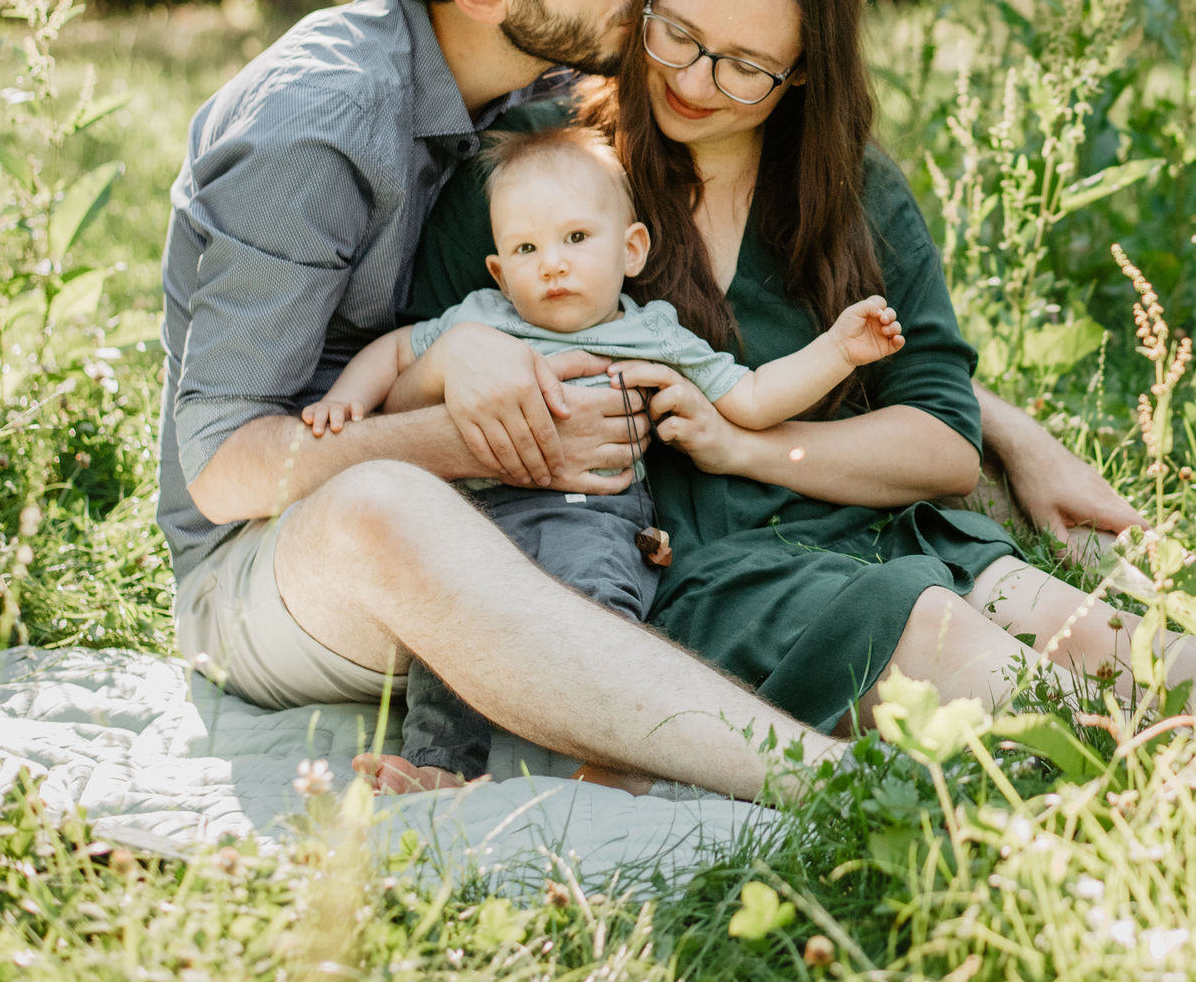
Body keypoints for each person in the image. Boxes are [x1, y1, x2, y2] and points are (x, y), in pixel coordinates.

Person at [158, 0, 1139, 804]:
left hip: (523, 519)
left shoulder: (541, 76)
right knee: (389, 504)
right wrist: (462, 409)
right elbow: (224, 471)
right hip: (277, 556)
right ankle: (823, 791)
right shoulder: (313, 133)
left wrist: (1009, 430)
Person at [377, 0, 1196, 759]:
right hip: (705, 572)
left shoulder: (849, 189)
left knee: (1114, 644)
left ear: (804, 69)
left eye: (744, 66)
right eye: (678, 34)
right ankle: (1160, 804)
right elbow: (430, 388)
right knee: (987, 670)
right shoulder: (543, 176)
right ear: (646, 1)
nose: (694, 82)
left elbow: (940, 437)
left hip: (891, 531)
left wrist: (745, 447)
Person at [300, 123, 905, 781]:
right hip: (476, 516)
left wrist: (837, 351)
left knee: (597, 619)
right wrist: (347, 399)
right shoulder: (482, 317)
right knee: (445, 645)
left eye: (576, 238)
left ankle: (620, 751)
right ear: (500, 269)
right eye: (526, 248)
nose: (552, 262)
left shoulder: (650, 333)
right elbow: (394, 352)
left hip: (592, 518)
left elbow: (754, 396)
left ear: (632, 248)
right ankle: (438, 763)